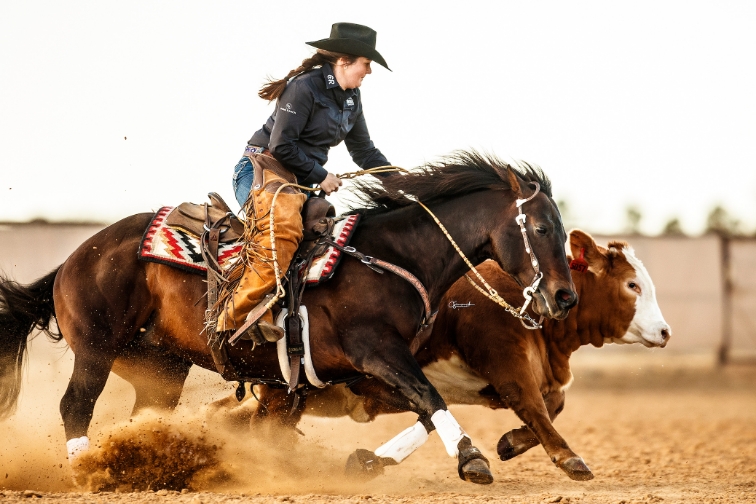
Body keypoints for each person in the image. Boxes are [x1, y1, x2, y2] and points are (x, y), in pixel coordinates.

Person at [216, 22, 392, 342]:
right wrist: (321, 176)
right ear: (344, 61)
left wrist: (402, 182)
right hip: (262, 168)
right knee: (282, 231)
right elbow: (282, 146)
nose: (369, 71)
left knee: (326, 237)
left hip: (298, 181)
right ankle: (236, 314)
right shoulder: (305, 87)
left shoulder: (352, 98)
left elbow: (364, 151)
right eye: (366, 63)